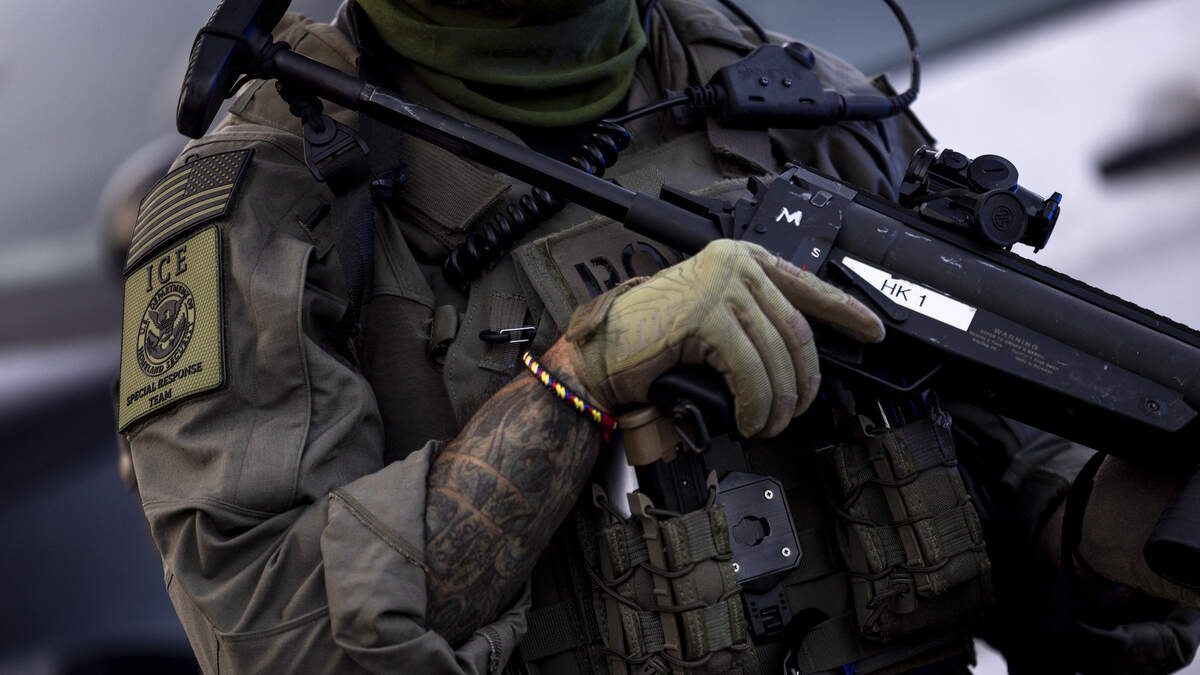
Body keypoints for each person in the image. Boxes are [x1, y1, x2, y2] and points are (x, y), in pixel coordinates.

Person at [113, 0, 1200, 672]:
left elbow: (1026, 506)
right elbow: (277, 640)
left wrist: (1125, 530)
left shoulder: (806, 107)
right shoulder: (261, 218)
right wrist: (578, 377)